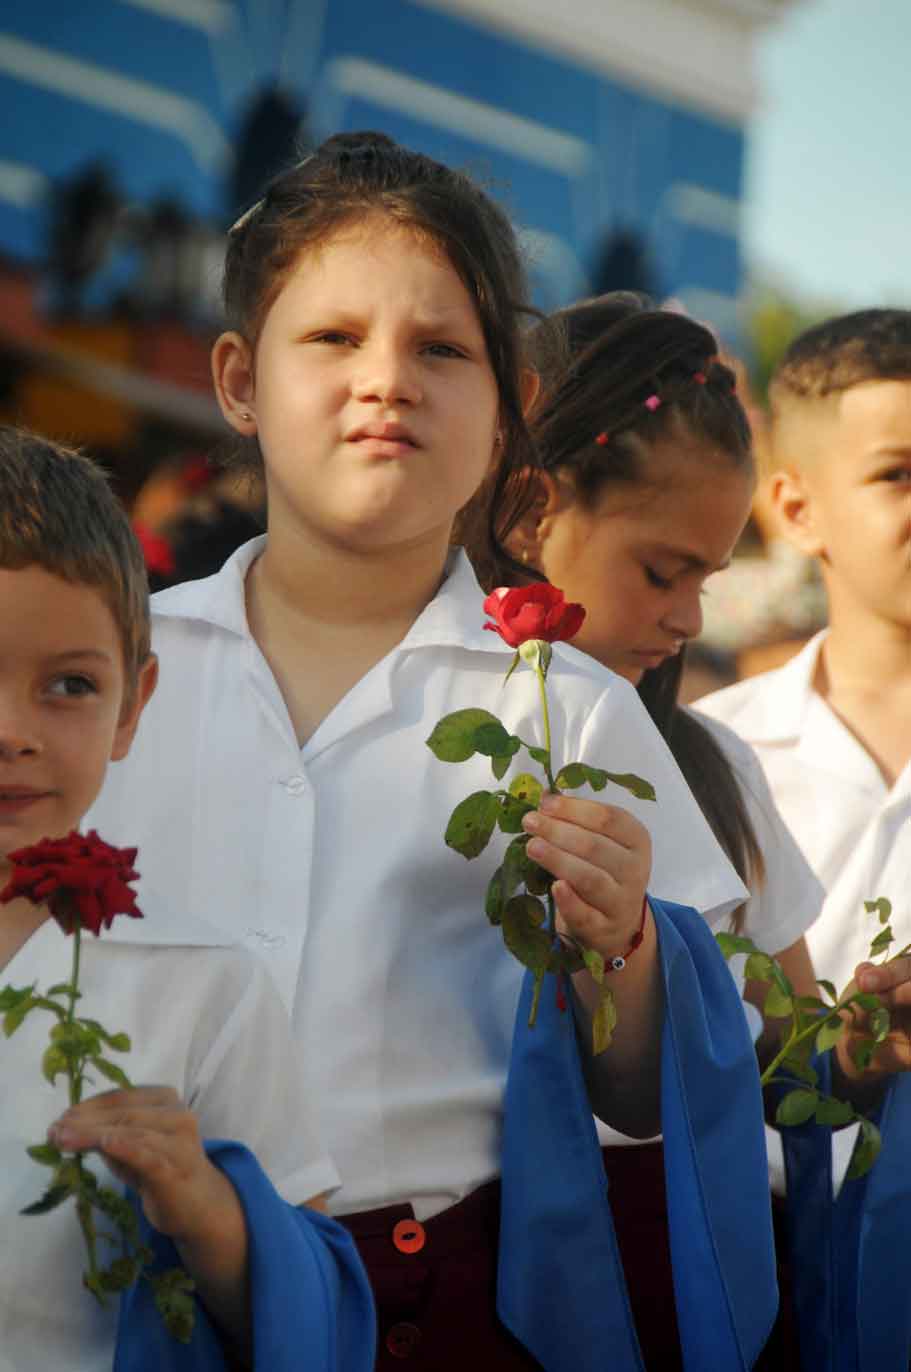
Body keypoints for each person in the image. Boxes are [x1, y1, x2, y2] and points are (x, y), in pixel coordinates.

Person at [86, 133, 779, 1371]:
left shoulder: (571, 714)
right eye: (333, 339)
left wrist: (622, 945)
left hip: (429, 1308)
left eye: (441, 350)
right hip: (113, 1283)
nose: (387, 381)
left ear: (509, 403)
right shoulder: (116, 676)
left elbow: (644, 1091)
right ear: (240, 381)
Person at [460, 293, 911, 1369]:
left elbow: (783, 1052)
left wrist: (851, 1048)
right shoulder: (435, 737)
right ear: (531, 510)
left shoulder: (710, 770)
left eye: (705, 581)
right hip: (467, 1257)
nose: (687, 619)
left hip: (686, 1267)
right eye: (660, 572)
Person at [0, 427, 374, 1372]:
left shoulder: (204, 985)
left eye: (70, 686)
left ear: (133, 705)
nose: (13, 732)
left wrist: (204, 1207)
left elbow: (312, 1315)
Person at [696, 307, 911, 1189]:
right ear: (794, 507)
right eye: (897, 474)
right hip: (775, 1246)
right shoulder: (717, 752)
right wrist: (846, 1060)